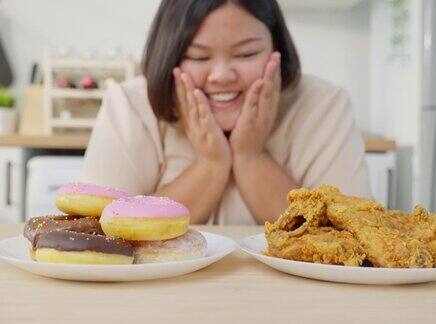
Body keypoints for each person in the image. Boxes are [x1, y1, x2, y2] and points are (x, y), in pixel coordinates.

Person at [82, 0, 370, 225]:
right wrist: (210, 165)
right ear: (167, 56)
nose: (221, 76)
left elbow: (354, 239)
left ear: (277, 49)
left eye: (246, 54)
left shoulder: (324, 106)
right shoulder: (129, 105)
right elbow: (99, 232)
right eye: (199, 57)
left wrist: (251, 157)